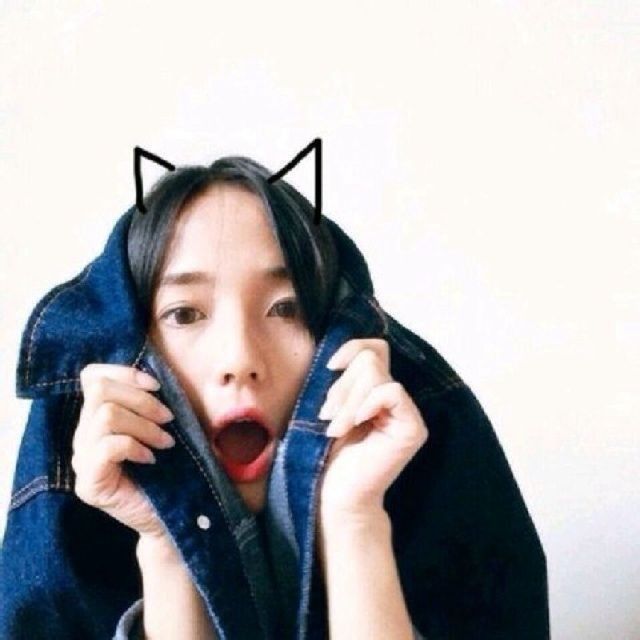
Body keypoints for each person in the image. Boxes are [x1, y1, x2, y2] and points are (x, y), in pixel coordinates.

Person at [0, 156, 549, 639]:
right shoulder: (81, 534)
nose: (240, 357)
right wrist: (167, 541)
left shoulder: (431, 499)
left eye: (286, 308)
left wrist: (355, 521)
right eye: (185, 313)